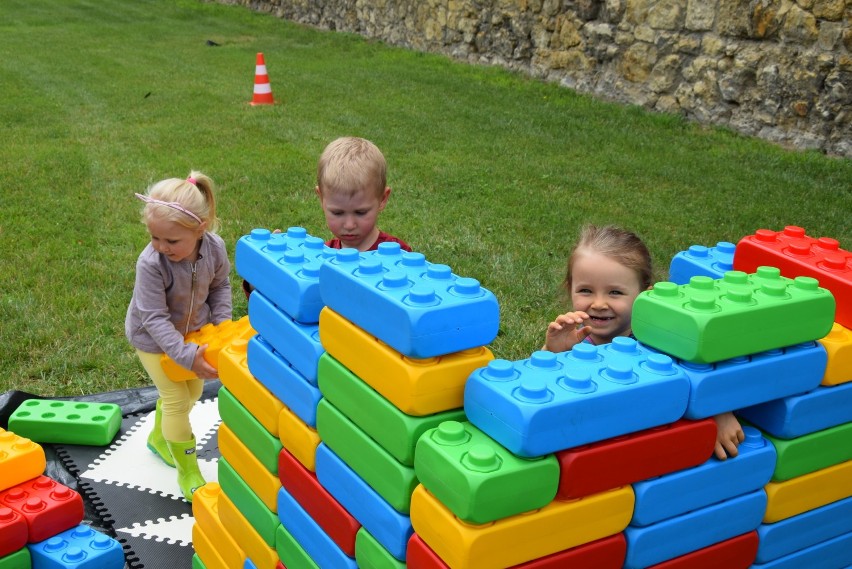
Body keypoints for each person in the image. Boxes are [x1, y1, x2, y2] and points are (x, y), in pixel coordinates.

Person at [542, 224, 743, 461]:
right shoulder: (576, 340)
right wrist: (553, 352)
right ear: (570, 289)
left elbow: (697, 372)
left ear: (644, 296)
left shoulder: (657, 340)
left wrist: (718, 411)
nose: (598, 303)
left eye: (615, 293)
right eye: (585, 290)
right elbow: (544, 391)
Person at [125, 171, 232, 502]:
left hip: (191, 335)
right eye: (155, 237)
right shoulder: (151, 263)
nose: (161, 247)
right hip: (153, 340)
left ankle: (159, 439)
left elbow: (220, 287)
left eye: (171, 241)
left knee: (192, 393)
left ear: (200, 228)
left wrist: (221, 327)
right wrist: (185, 355)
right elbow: (154, 318)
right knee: (175, 399)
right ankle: (189, 472)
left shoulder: (214, 249)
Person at [242, 136, 411, 298]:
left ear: (382, 199)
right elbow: (288, 301)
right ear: (321, 198)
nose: (350, 224)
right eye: (338, 213)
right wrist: (266, 269)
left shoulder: (398, 255)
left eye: (361, 212)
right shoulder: (321, 258)